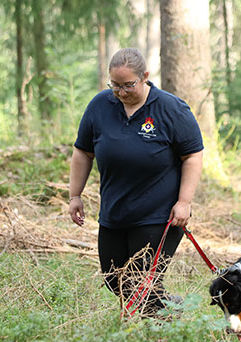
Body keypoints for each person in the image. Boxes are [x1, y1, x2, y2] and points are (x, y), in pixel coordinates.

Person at [68, 48, 204, 317]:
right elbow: (83, 151)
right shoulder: (100, 106)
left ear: (145, 77)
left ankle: (162, 338)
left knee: (139, 283)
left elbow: (192, 155)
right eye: (115, 85)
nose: (121, 92)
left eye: (128, 85)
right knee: (114, 279)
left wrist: (184, 202)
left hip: (158, 215)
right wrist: (75, 195)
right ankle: (174, 310)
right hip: (114, 213)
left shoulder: (171, 109)